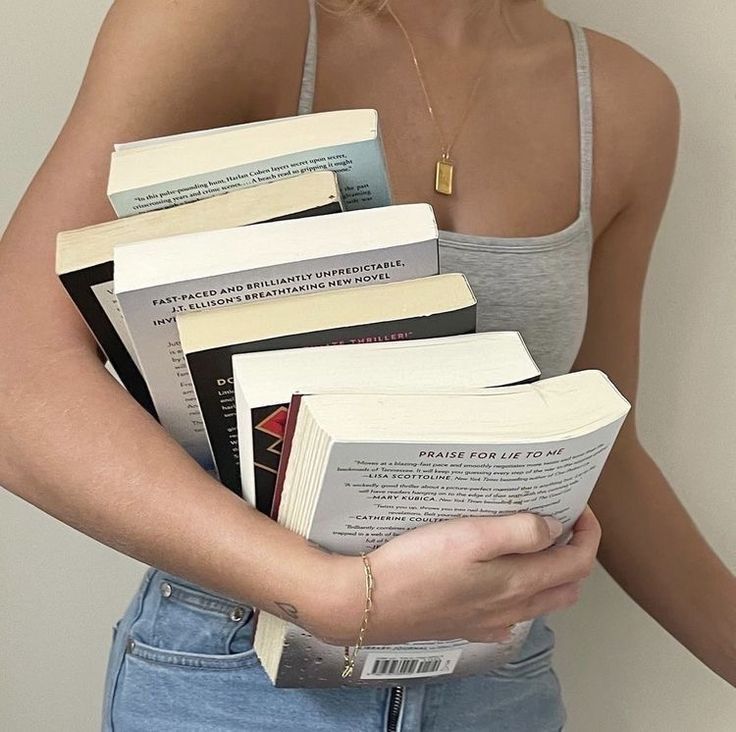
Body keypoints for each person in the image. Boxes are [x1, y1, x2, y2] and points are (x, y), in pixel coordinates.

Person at [0, 0, 733, 729]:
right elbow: (17, 373)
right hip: (239, 677)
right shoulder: (224, 18)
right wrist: (329, 594)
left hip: (494, 683)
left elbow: (609, 450)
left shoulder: (622, 99)